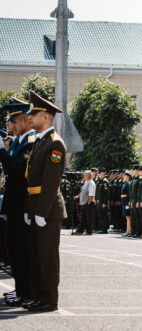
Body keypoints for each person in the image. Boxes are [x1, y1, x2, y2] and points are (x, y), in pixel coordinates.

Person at [23, 90, 67, 312]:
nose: (29, 117)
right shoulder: (40, 141)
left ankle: (49, 299)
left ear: (46, 117)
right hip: (36, 206)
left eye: (34, 114)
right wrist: (29, 209)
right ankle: (40, 296)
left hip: (47, 209)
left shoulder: (54, 144)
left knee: (48, 257)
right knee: (37, 255)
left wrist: (41, 211)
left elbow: (50, 182)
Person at [0, 99, 36, 307]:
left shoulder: (30, 142)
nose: (9, 125)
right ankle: (20, 289)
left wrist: (1, 152)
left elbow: (15, 170)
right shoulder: (16, 142)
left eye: (12, 121)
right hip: (13, 203)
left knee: (22, 250)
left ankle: (26, 291)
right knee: (13, 248)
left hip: (22, 203)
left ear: (24, 120)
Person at [74, 171, 96, 235]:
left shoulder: (91, 183)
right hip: (84, 203)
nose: (84, 176)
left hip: (88, 203)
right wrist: (77, 196)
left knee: (89, 218)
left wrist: (88, 203)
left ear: (88, 176)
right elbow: (82, 192)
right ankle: (80, 230)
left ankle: (89, 231)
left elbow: (91, 195)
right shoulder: (86, 182)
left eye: (85, 175)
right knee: (83, 218)